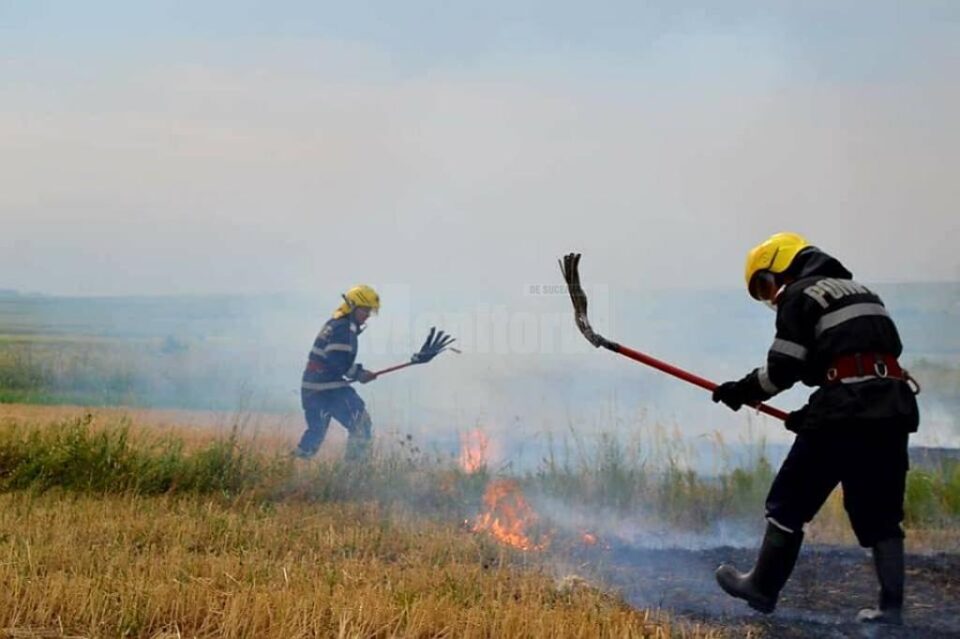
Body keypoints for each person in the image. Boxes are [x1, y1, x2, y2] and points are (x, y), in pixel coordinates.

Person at [711, 232, 919, 624]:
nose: (770, 297)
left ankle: (761, 587)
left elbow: (782, 371)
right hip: (891, 405)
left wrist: (741, 390)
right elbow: (852, 362)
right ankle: (891, 608)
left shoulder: (800, 294)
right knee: (881, 513)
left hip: (846, 409)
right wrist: (812, 414)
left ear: (782, 264)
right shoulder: (863, 293)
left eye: (765, 284)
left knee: (789, 501)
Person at [295, 285, 380, 461]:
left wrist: (358, 373)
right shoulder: (344, 329)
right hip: (327, 389)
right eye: (364, 309)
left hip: (313, 387)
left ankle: (284, 470)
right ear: (352, 306)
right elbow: (337, 364)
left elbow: (335, 362)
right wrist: (360, 374)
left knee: (315, 435)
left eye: (369, 311)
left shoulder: (337, 324)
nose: (367, 315)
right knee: (361, 424)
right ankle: (353, 475)